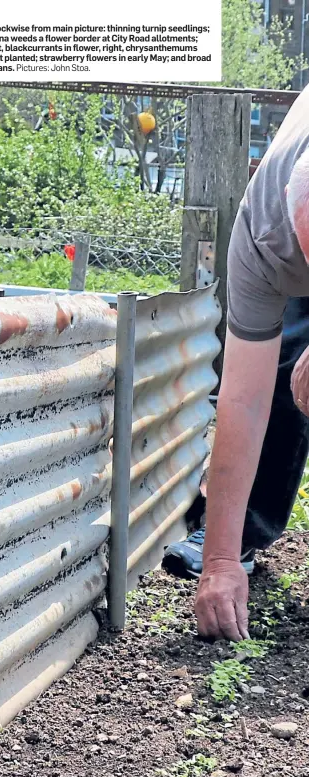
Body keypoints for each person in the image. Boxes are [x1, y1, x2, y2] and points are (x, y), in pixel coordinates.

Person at [162, 84, 309, 642]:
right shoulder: (262, 234)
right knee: (278, 377)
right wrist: (220, 561)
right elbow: (240, 402)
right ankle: (237, 540)